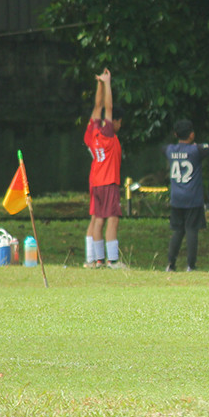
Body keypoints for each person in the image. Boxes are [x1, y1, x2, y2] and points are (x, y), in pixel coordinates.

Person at [164, 120, 209, 271]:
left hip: (176, 198)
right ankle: (191, 265)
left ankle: (170, 264)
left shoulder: (170, 149)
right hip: (192, 198)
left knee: (178, 230)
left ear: (175, 134)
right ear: (192, 135)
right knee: (191, 230)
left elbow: (163, 148)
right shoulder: (196, 150)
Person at [83, 69, 124, 268]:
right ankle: (112, 260)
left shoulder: (92, 132)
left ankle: (98, 260)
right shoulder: (107, 133)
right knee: (113, 219)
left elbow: (97, 106)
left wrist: (99, 83)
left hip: (97, 182)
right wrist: (107, 83)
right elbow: (107, 106)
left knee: (98, 220)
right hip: (108, 182)